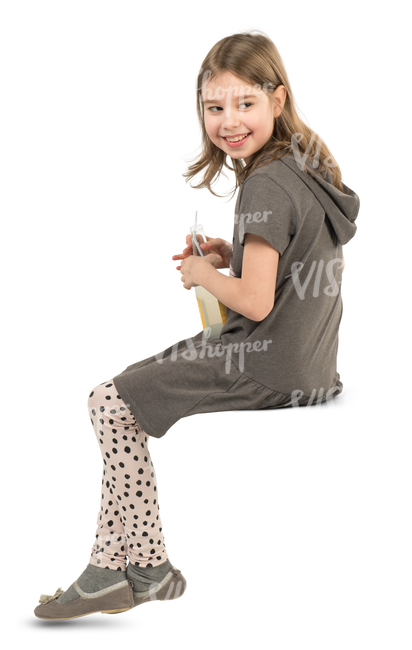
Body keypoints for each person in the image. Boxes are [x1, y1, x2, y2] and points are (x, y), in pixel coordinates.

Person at [34, 29, 360, 621]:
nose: (228, 121)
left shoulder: (263, 181)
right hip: (310, 362)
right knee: (124, 389)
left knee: (109, 403)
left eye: (245, 104)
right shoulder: (303, 165)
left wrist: (199, 273)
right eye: (215, 107)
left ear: (277, 100)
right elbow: (292, 258)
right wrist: (230, 252)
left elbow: (257, 303)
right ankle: (116, 568)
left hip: (267, 361)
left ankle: (144, 567)